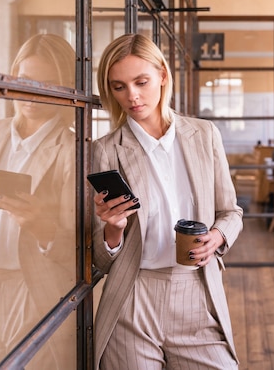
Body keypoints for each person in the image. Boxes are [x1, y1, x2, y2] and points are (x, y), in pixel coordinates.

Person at [91, 33, 243, 370]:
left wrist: (216, 237)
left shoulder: (204, 135)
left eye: (141, 81)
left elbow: (230, 212)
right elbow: (100, 259)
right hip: (132, 298)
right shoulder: (106, 149)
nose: (132, 96)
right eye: (119, 87)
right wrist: (112, 230)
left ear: (162, 75)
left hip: (197, 291)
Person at [0, 33, 77, 369]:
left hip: (32, 287)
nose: (32, 93)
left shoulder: (72, 149)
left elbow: (80, 246)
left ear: (63, 87)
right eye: (26, 80)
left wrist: (43, 229)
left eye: (46, 83)